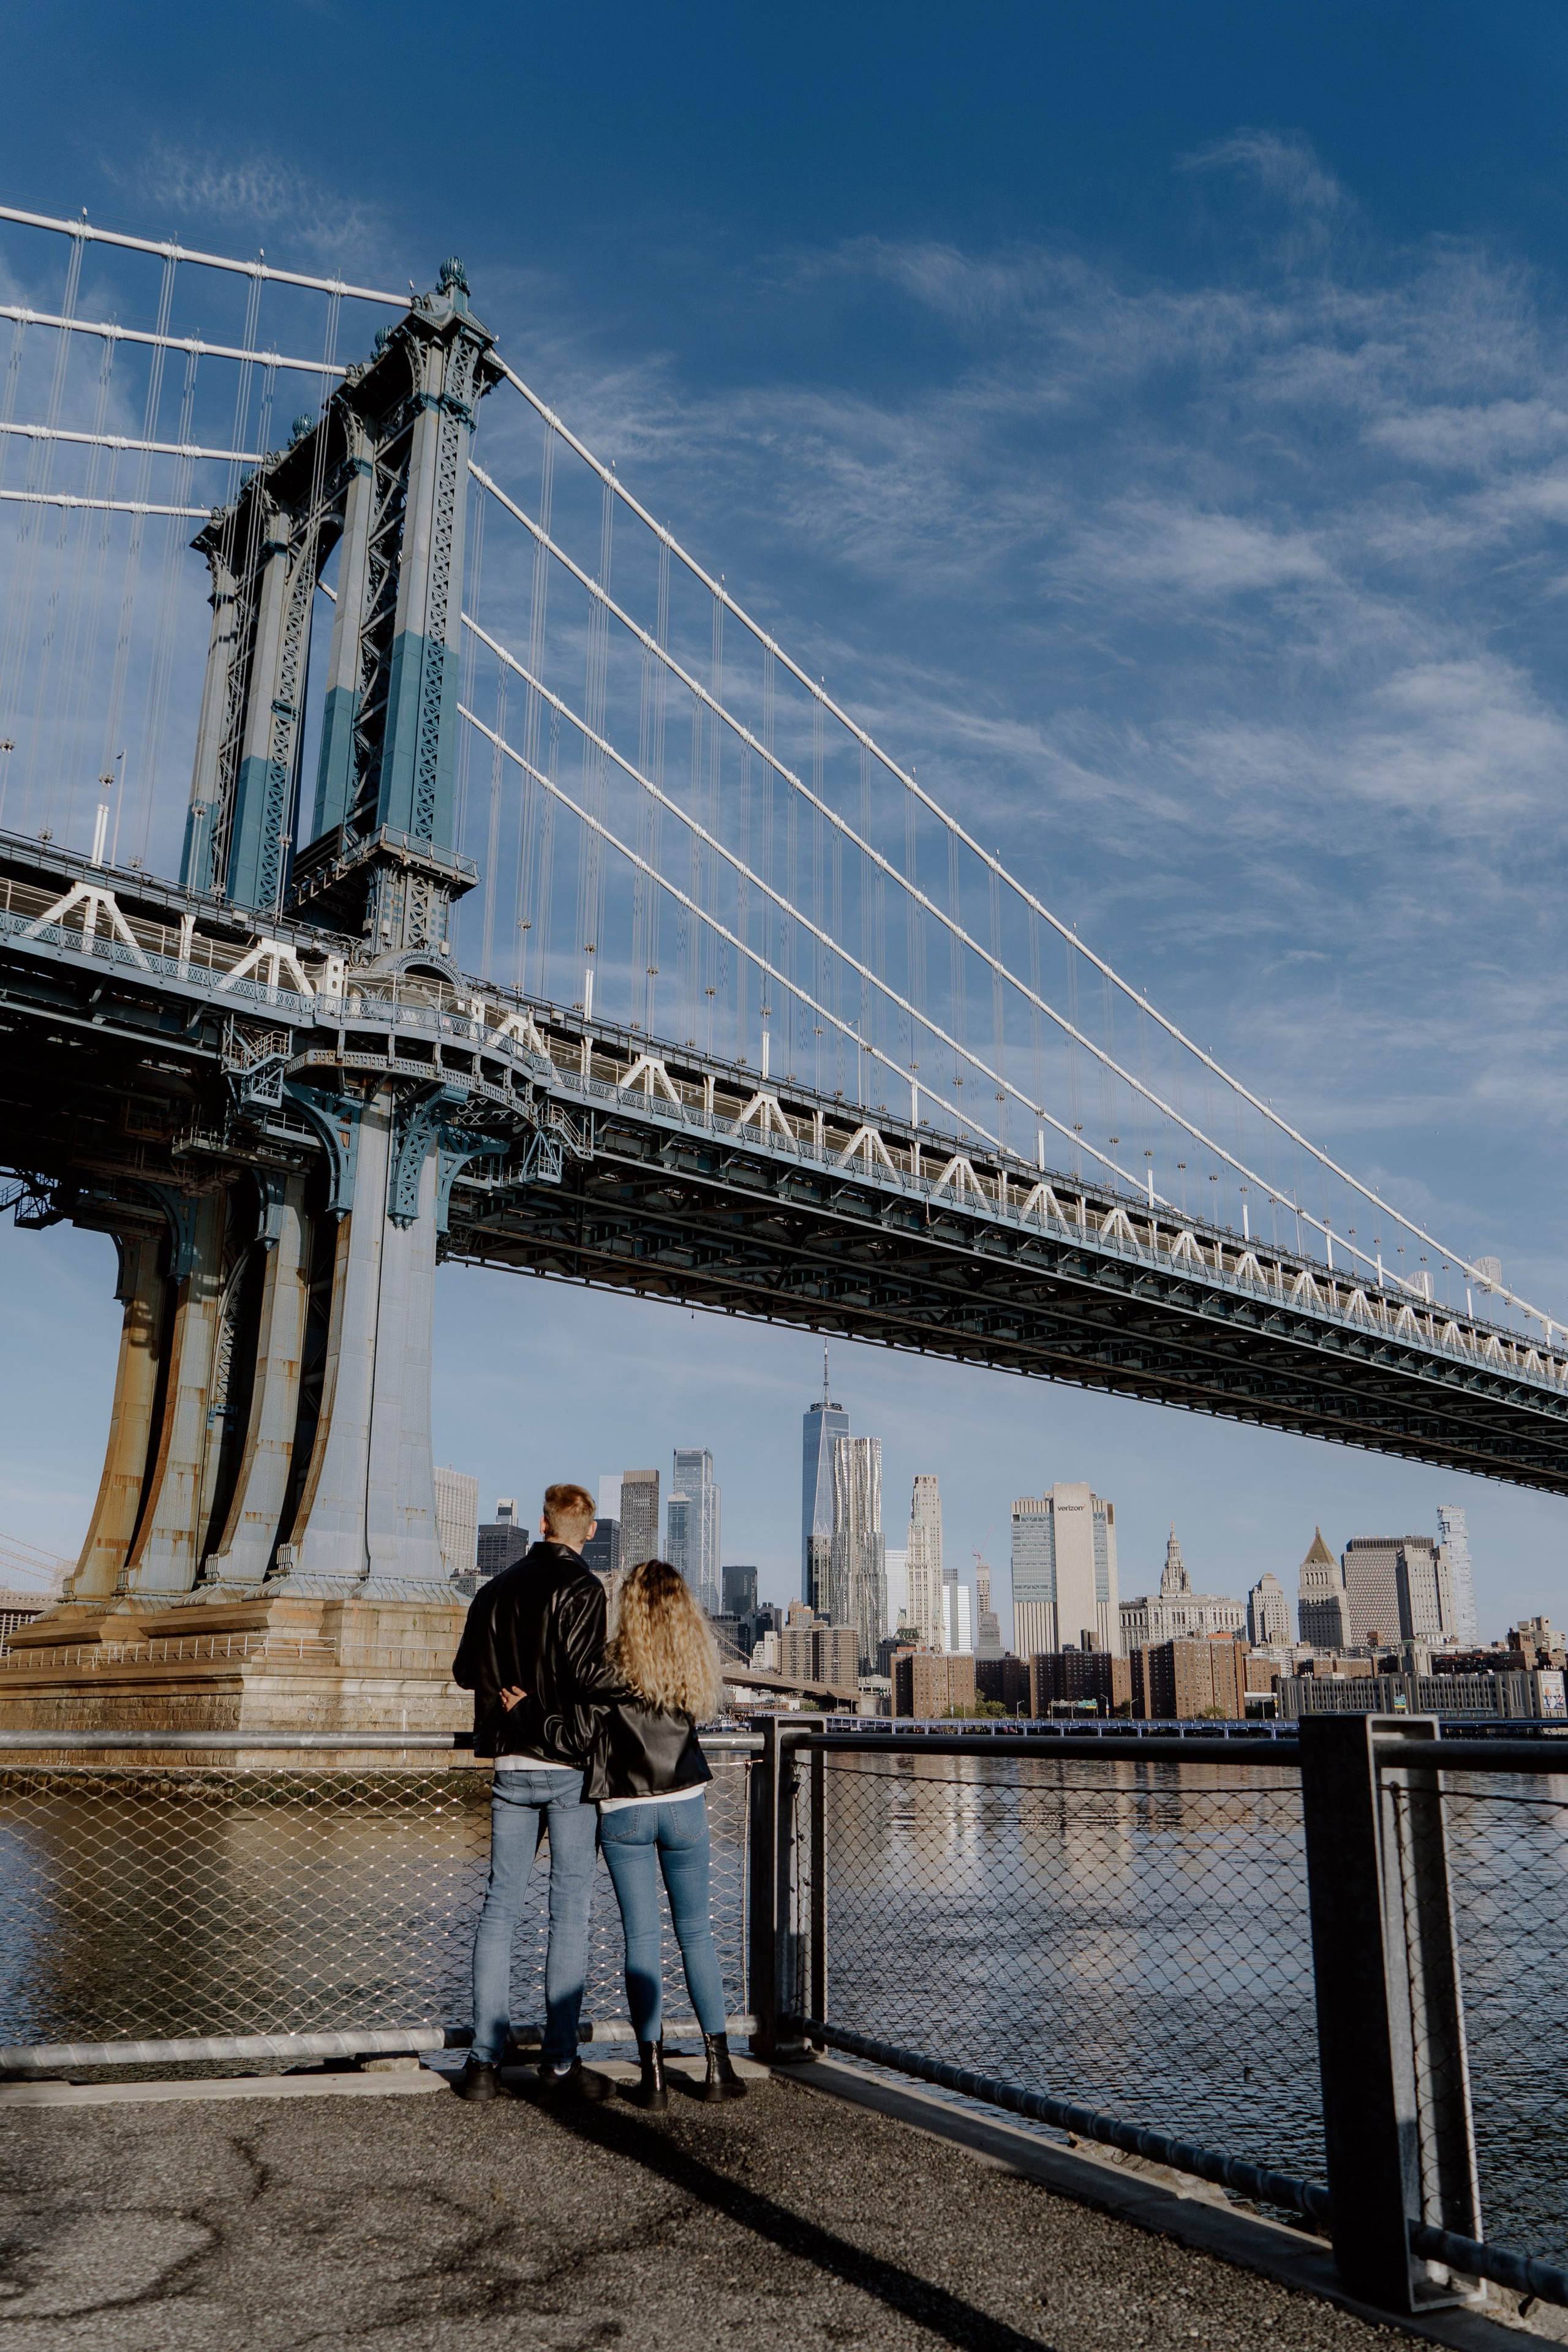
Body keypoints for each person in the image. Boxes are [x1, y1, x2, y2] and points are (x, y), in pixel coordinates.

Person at [450, 1480, 620, 2105]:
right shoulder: (583, 1588)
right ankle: (558, 2063)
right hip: (567, 1765)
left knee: (499, 1909)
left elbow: (467, 1671)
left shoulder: (493, 1589)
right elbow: (583, 1674)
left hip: (509, 1764)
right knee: (568, 1912)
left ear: (543, 1525)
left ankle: (481, 2063)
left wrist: (509, 1689)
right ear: (589, 1531)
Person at [586, 1557, 747, 2110]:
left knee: (642, 1939)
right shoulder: (691, 1661)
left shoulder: (606, 1665)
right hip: (684, 1805)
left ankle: (652, 2077)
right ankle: (719, 2069)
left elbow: (574, 1694)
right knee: (697, 1934)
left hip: (624, 1807)